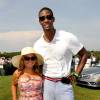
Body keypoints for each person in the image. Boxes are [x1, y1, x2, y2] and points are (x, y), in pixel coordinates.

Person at [33, 7, 88, 100]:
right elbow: (38, 66)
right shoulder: (37, 45)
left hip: (64, 84)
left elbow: (84, 54)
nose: (46, 20)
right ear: (39, 21)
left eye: (48, 17)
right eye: (42, 18)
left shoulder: (67, 37)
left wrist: (76, 74)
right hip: (47, 85)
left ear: (53, 19)